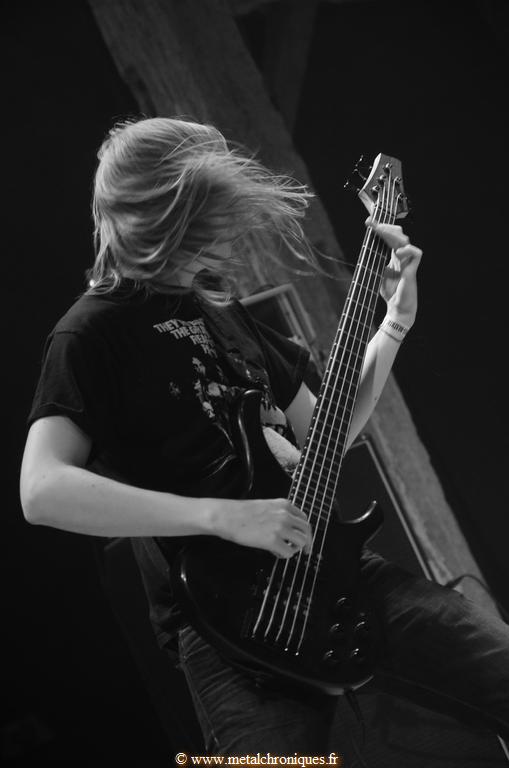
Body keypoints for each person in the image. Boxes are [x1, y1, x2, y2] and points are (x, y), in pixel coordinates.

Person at [20, 116, 509, 757]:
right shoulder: (89, 333)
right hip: (225, 621)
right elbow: (42, 489)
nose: (230, 234)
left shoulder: (224, 314)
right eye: (212, 219)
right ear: (167, 219)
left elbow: (326, 434)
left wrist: (393, 325)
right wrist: (221, 516)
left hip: (332, 572)